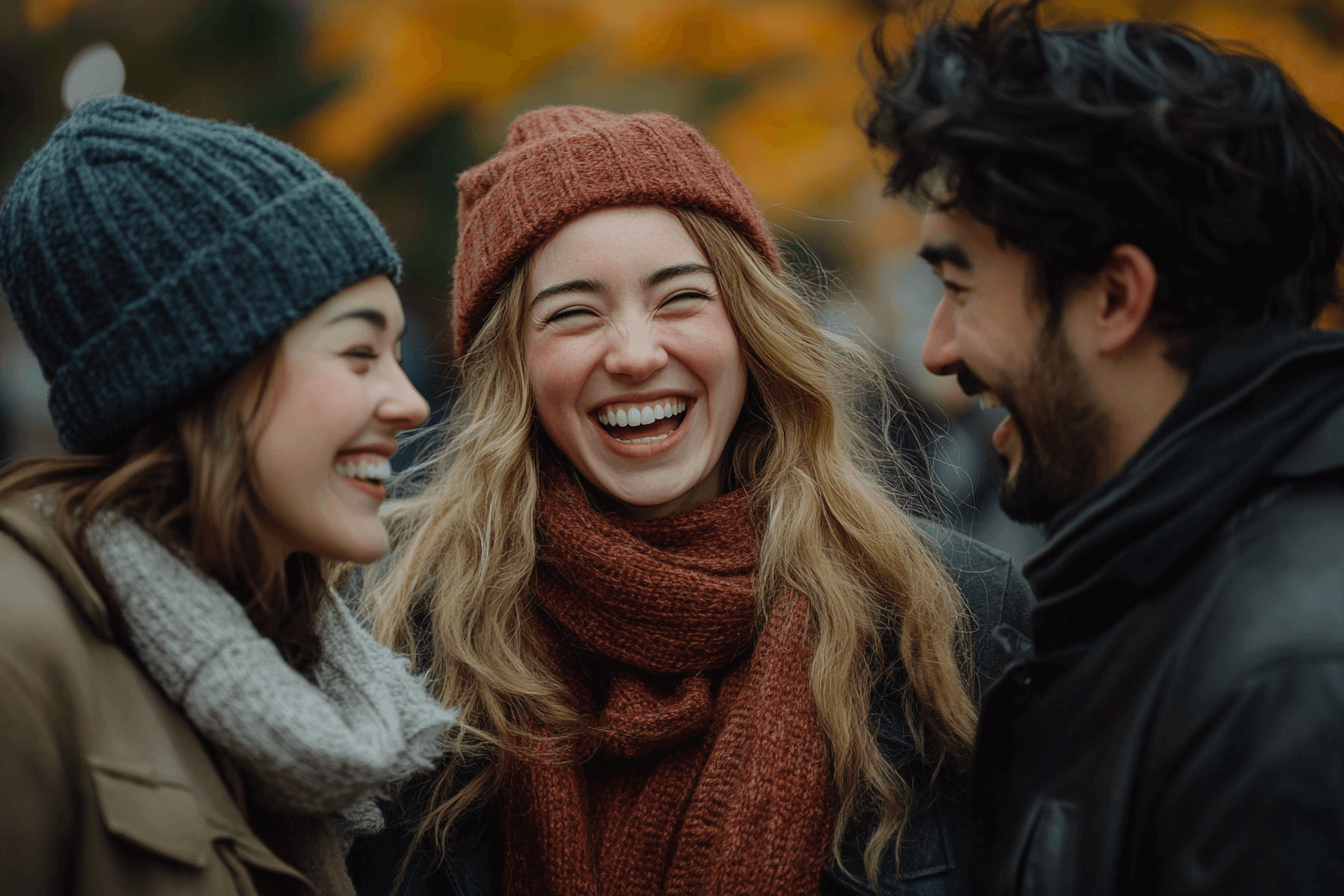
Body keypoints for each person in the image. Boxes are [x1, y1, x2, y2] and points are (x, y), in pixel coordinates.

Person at [344, 105, 1033, 896]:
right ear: (514, 370)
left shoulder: (945, 616)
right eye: (573, 314)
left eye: (680, 298)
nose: (637, 354)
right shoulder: (404, 644)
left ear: (749, 327)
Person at [864, 1, 1344, 893]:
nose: (937, 351)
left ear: (1116, 298)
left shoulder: (1288, 683)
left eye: (960, 286)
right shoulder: (1161, 585)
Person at [0, 95, 458, 896]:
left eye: (397, 351)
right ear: (204, 371)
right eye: (358, 353)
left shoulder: (297, 652)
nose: (411, 402)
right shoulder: (22, 648)